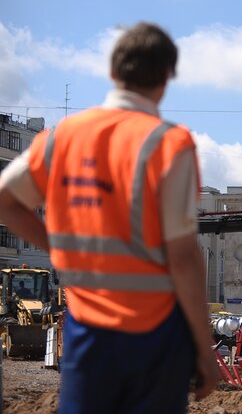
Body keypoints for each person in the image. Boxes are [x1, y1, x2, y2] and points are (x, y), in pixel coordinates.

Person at [0, 22, 219, 413]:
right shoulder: (170, 144)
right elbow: (184, 257)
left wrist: (55, 246)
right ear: (166, 77)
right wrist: (204, 349)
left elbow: (6, 200)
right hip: (155, 335)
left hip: (87, 331)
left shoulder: (62, 137)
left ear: (112, 71)